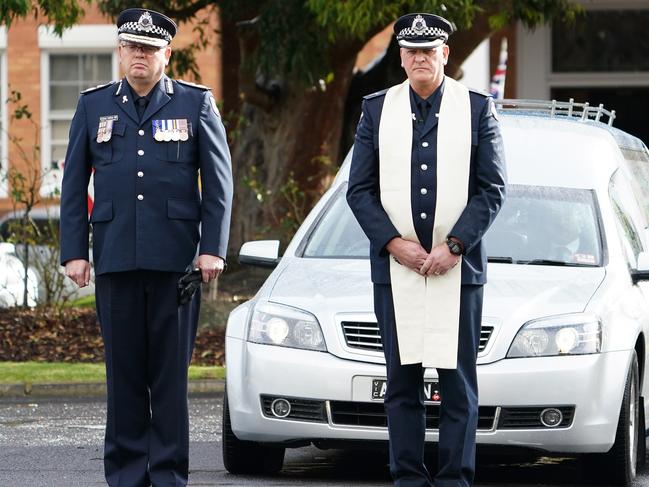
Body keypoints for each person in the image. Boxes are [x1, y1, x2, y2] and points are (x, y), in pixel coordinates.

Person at [59, 8, 233, 486]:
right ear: (120, 51)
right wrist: (75, 251)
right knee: (124, 375)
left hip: (176, 263)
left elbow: (219, 185)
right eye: (133, 47)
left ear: (167, 54)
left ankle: (170, 474)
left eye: (150, 49)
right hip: (115, 258)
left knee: (170, 377)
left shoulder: (195, 104)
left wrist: (212, 247)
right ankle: (127, 475)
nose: (141, 55)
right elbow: (73, 185)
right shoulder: (93, 106)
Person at [346, 12, 506, 487]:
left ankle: (455, 478)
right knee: (402, 383)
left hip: (458, 269)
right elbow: (359, 190)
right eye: (411, 51)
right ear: (401, 57)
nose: (420, 58)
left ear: (445, 54)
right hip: (396, 270)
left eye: (428, 50)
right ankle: (408, 478)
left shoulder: (477, 108)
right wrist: (396, 245)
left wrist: (454, 246)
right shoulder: (376, 109)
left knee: (458, 386)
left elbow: (491, 188)